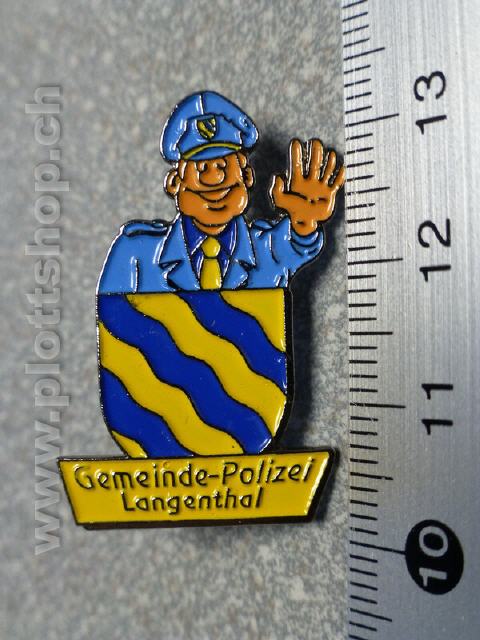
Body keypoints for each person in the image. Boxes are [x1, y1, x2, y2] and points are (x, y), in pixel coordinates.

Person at [98, 91, 345, 293]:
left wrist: (303, 221)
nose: (214, 178)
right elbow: (112, 326)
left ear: (247, 177)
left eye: (223, 166)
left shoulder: (267, 251)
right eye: (201, 168)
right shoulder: (135, 256)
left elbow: (296, 242)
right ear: (175, 183)